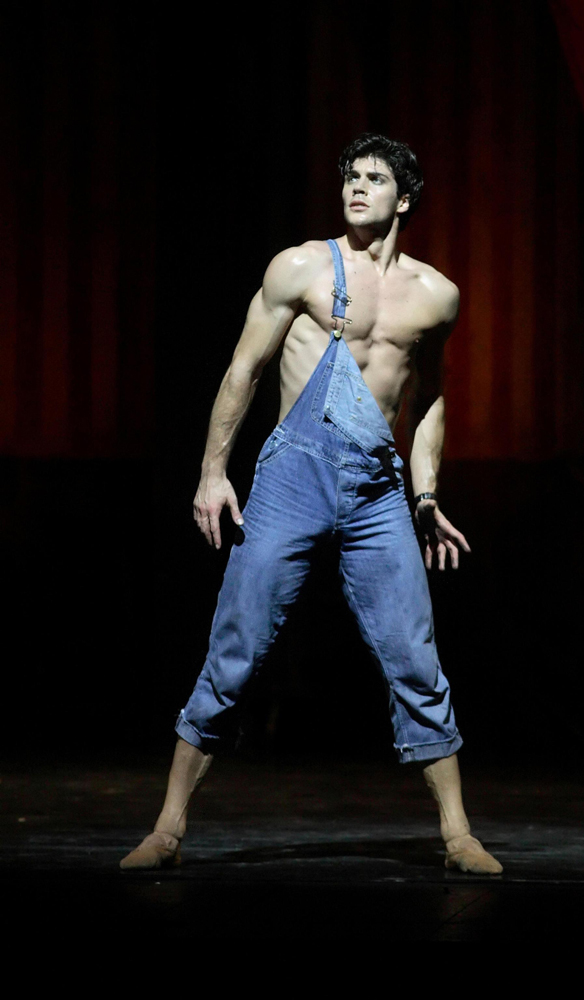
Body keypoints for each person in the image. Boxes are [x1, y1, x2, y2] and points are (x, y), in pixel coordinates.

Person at [120, 133, 502, 875]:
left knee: (413, 653)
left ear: (405, 198)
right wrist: (212, 472)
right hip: (293, 477)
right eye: (350, 176)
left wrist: (425, 493)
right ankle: (167, 829)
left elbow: (428, 399)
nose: (356, 187)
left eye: (374, 178)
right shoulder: (300, 267)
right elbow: (244, 369)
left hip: (377, 489)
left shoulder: (436, 295)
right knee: (237, 647)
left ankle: (459, 836)